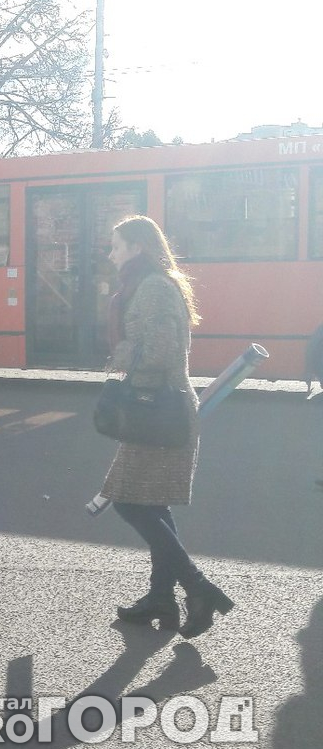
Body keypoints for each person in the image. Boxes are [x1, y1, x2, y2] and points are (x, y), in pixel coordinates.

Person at [100, 214, 233, 639]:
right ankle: (162, 596)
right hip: (158, 410)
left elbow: (159, 350)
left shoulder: (154, 287)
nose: (111, 253)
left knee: (127, 500)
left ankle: (197, 587)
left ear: (137, 246)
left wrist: (117, 358)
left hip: (159, 412)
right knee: (151, 503)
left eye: (116, 245)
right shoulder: (148, 284)